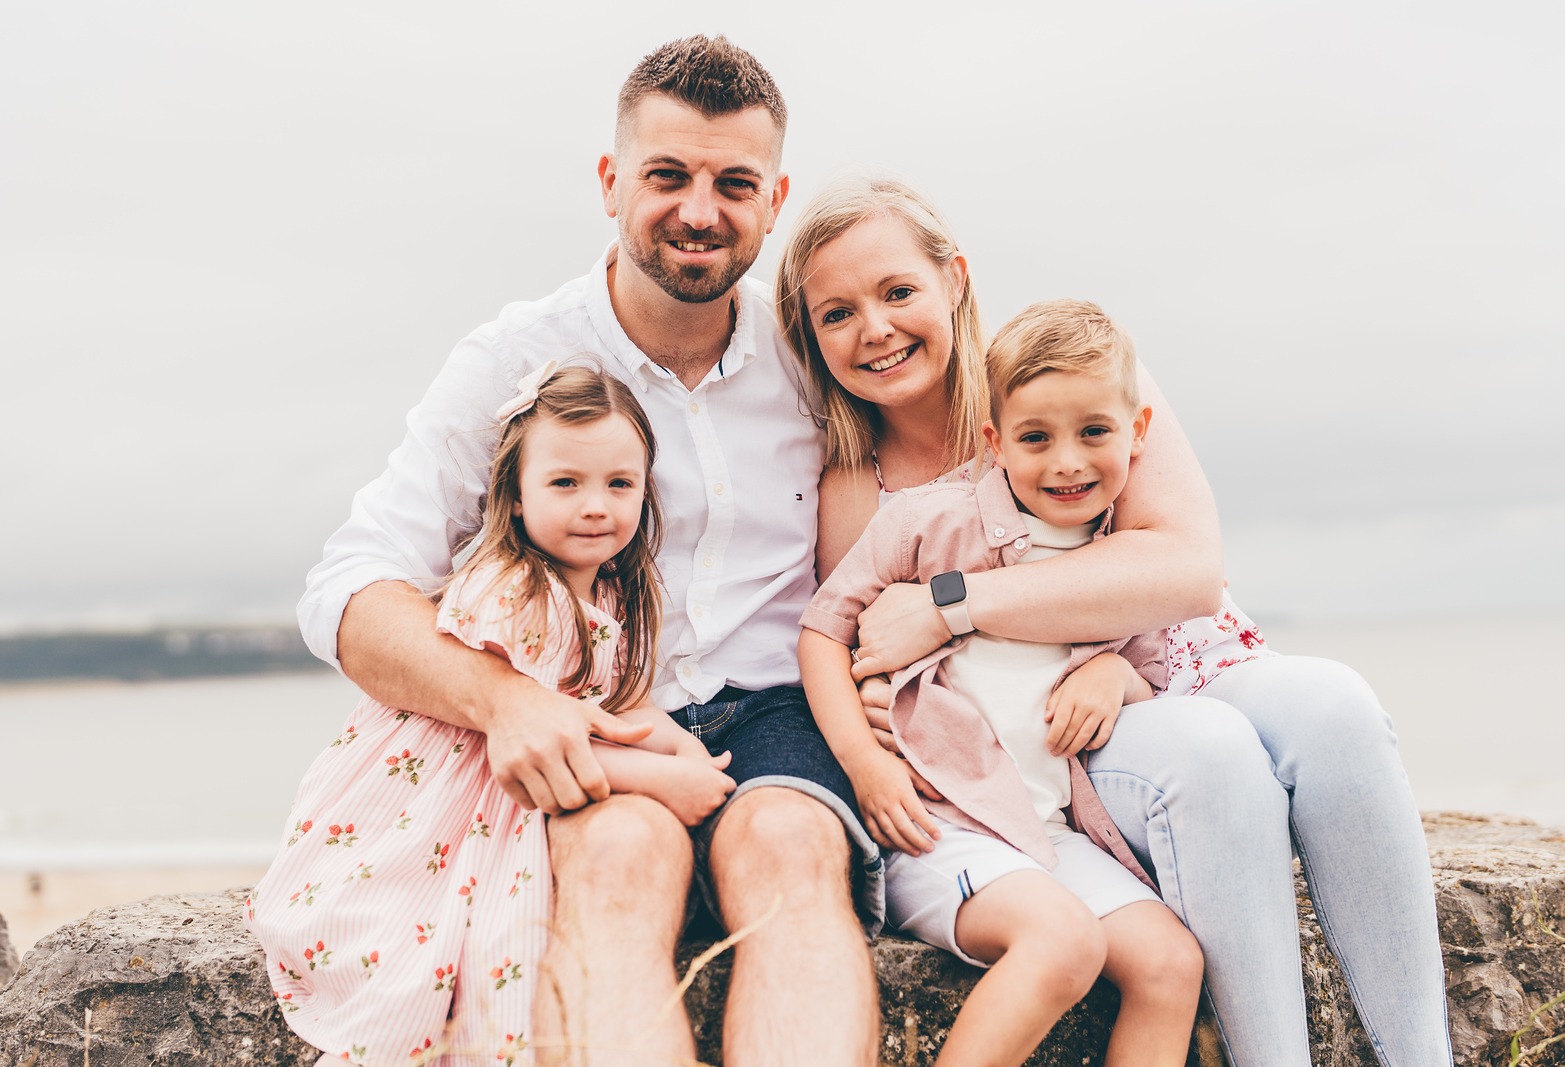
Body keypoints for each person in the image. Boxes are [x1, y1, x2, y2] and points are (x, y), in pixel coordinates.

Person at [294, 37, 880, 1067]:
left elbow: (983, 453)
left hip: (783, 708)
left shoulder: (818, 352)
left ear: (774, 197)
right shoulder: (516, 359)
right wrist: (512, 702)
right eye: (668, 175)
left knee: (790, 849)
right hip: (595, 712)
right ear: (611, 182)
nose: (700, 210)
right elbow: (347, 588)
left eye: (733, 184)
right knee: (616, 860)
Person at [776, 175, 1452, 1066]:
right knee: (1212, 755)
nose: (878, 327)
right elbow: (866, 652)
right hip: (1067, 737)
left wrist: (953, 606)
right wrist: (875, 728)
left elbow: (1186, 573)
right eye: (838, 313)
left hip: (1169, 657)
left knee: (1339, 705)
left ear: (956, 281)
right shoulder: (862, 487)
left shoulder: (1064, 374)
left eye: (900, 292)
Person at [248, 366, 738, 1064]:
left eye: (619, 484)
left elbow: (609, 706)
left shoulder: (610, 592)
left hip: (500, 795)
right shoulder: (516, 593)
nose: (595, 505)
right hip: (453, 797)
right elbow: (545, 742)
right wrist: (664, 781)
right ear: (514, 495)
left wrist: (676, 746)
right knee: (481, 945)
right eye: (565, 483)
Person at [799, 301, 1204, 1067]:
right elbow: (823, 631)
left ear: (1138, 432)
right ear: (996, 442)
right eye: (1035, 438)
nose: (1067, 462)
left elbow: (1154, 675)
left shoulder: (1122, 560)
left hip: (1042, 830)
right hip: (934, 822)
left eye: (1094, 432)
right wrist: (863, 759)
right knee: (1063, 941)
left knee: (1170, 964)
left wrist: (1114, 674)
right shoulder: (930, 521)